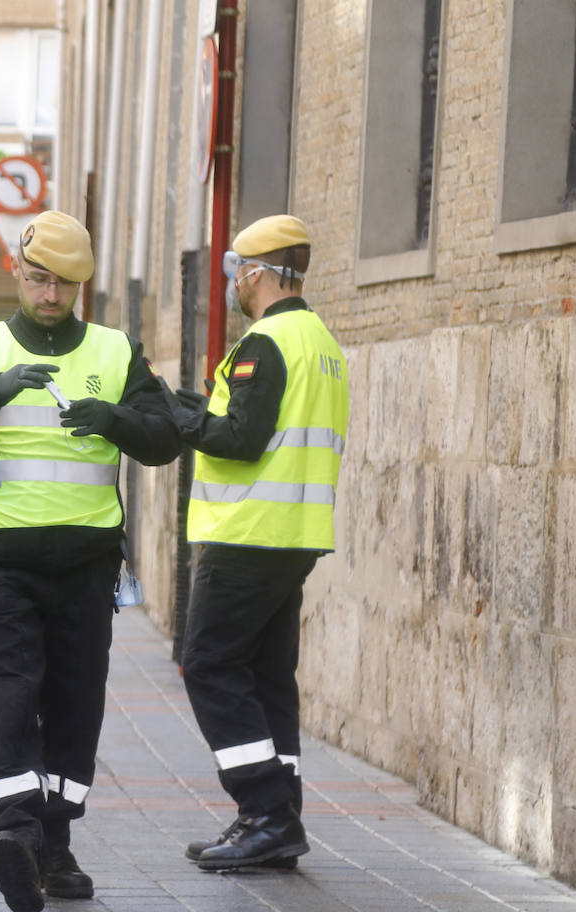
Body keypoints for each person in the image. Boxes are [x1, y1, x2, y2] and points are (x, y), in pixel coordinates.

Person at [0, 210, 179, 912]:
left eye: (67, 285)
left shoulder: (115, 353)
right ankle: (13, 832)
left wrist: (113, 418)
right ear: (18, 274)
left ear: (83, 285)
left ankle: (53, 845)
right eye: (40, 280)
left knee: (74, 707)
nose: (51, 297)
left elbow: (164, 438)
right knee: (9, 695)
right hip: (0, 564)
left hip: (84, 569)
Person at [171, 214, 349, 871]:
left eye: (232, 271)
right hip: (295, 534)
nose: (229, 285)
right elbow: (258, 423)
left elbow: (239, 440)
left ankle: (265, 811)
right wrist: (195, 405)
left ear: (254, 272)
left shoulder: (264, 342)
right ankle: (280, 817)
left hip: (247, 533)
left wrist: (178, 417)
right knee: (269, 677)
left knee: (211, 666)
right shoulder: (319, 342)